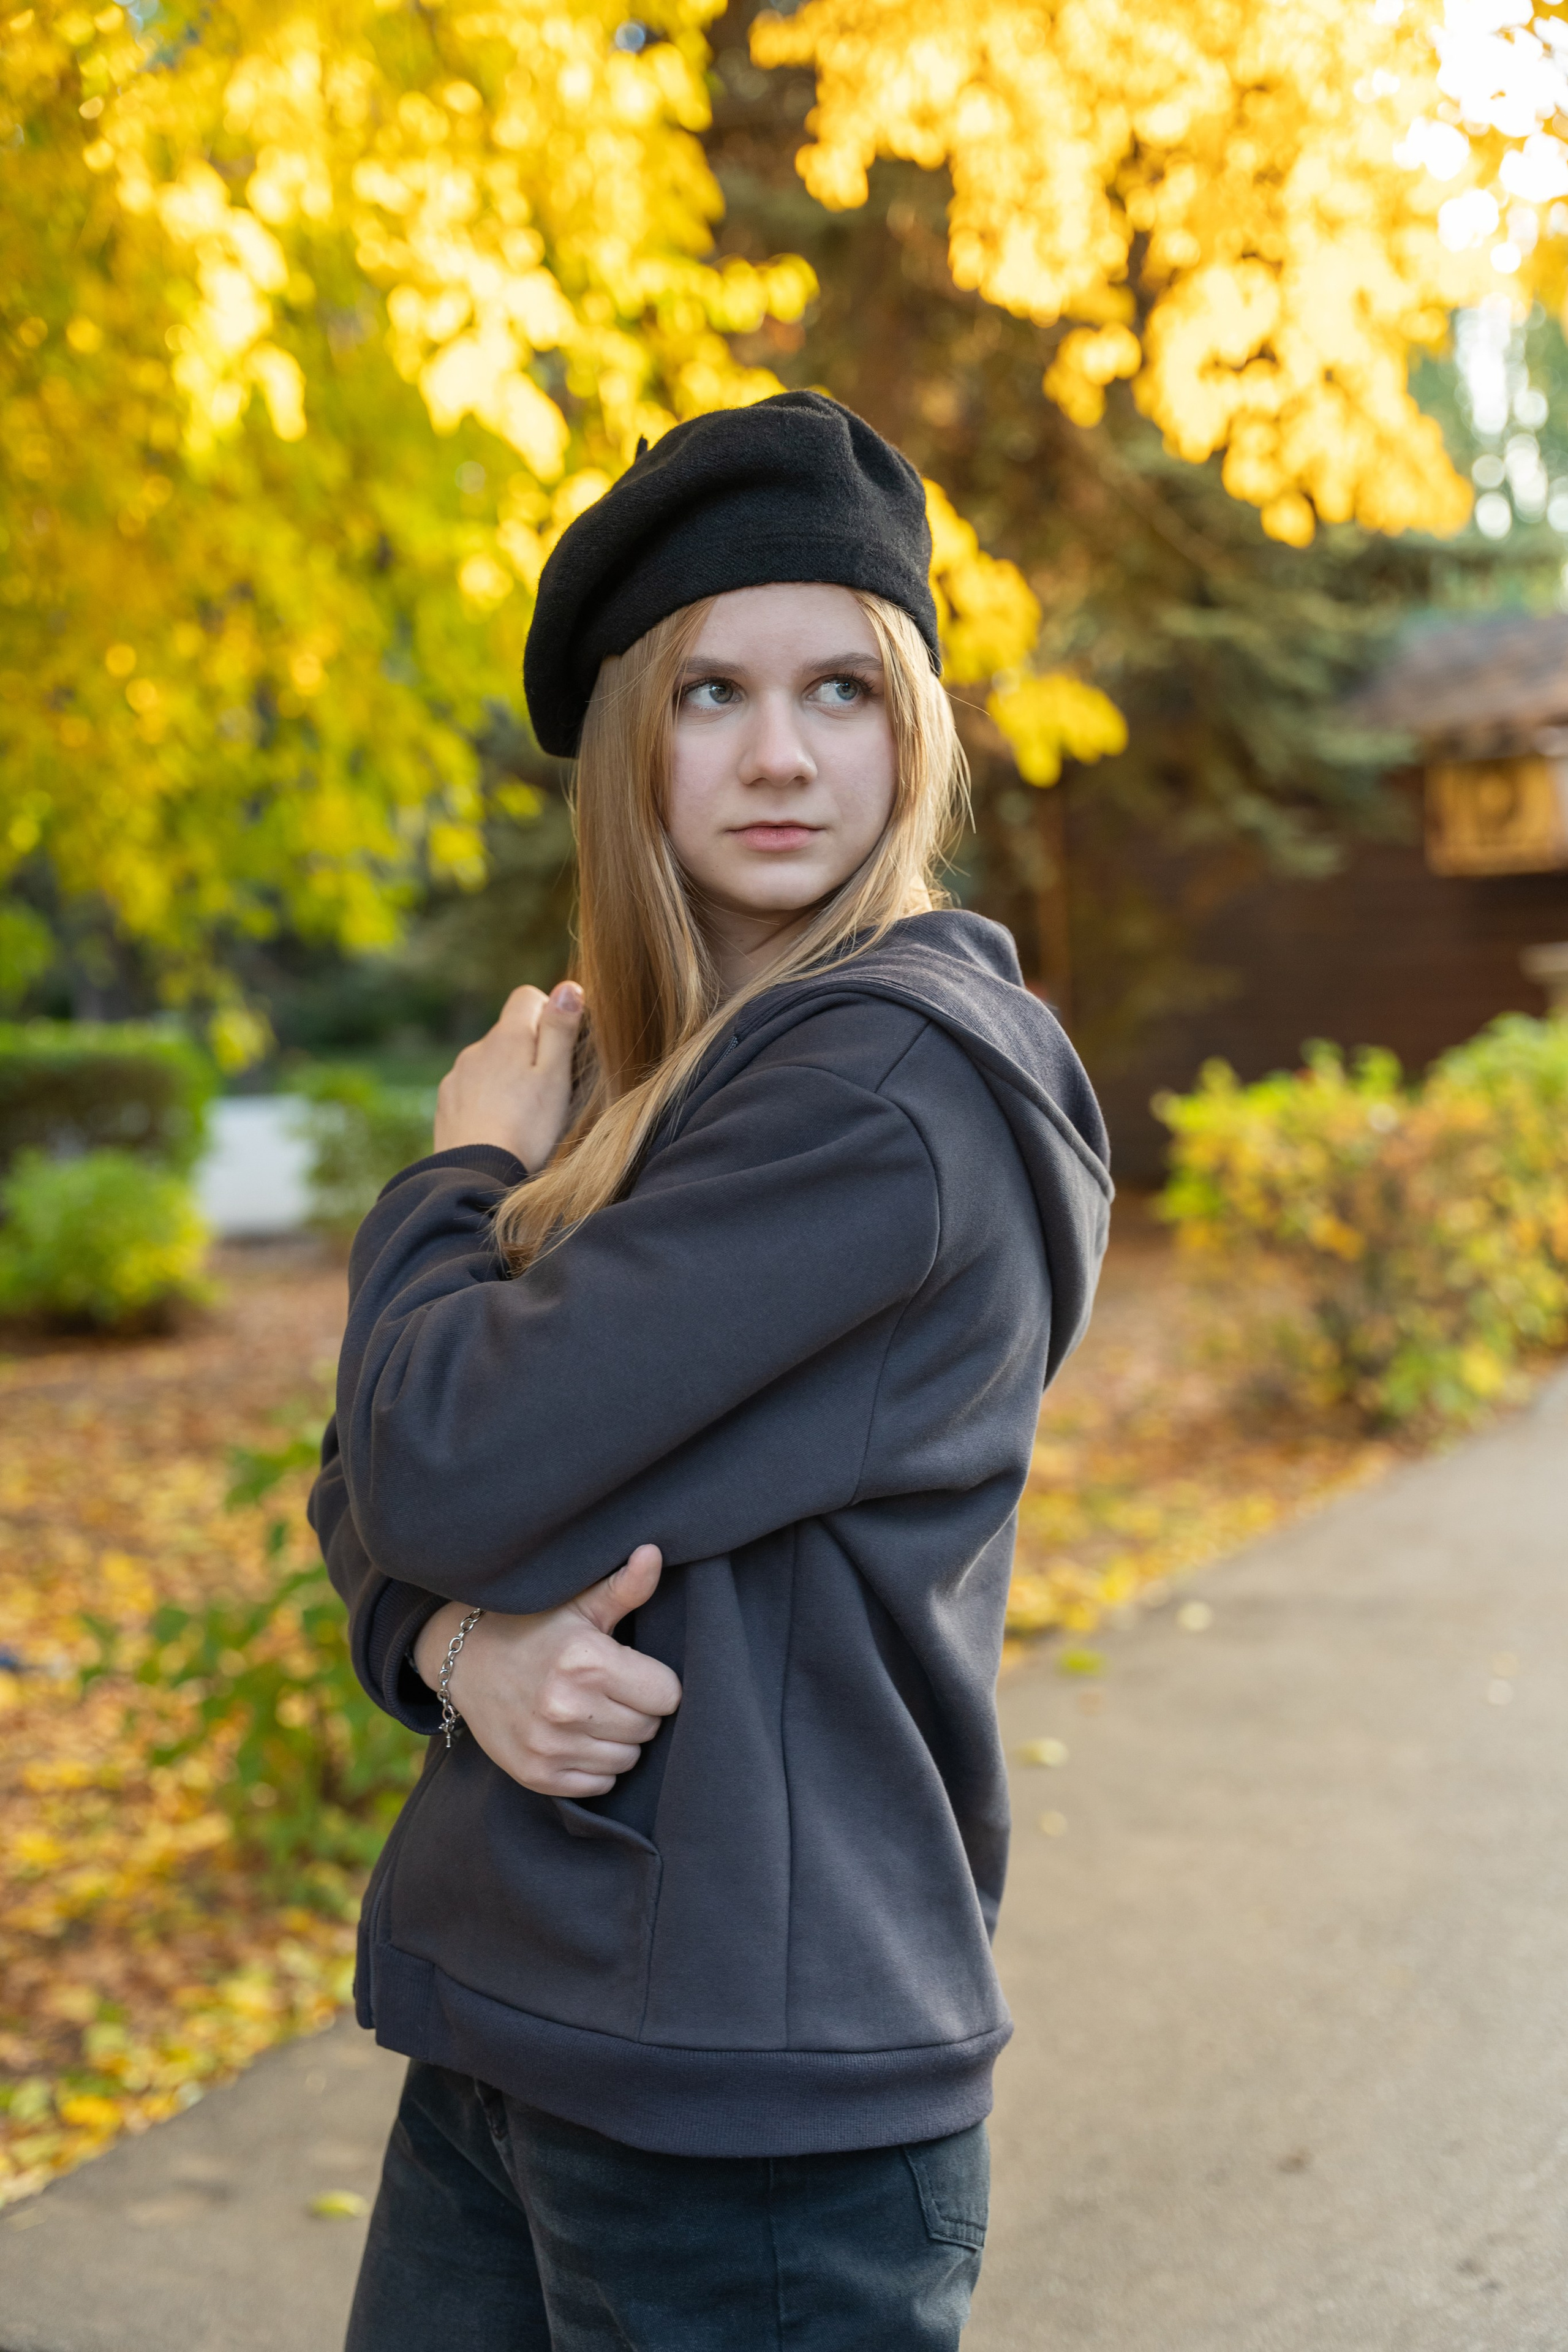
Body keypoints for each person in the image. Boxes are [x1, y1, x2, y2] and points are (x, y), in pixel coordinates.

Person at [311, 391, 1112, 2351]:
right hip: (534, 2032)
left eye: (843, 689)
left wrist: (462, 1176)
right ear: (628, 749)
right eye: (711, 694)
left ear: (912, 732)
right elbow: (395, 1482)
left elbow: (429, 1451)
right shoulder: (677, 1085)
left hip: (750, 2111)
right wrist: (447, 1651)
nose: (779, 756)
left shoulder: (890, 1090)